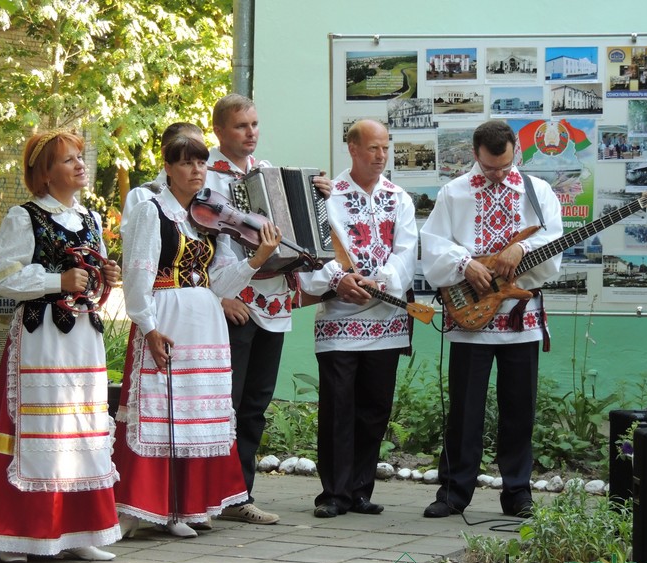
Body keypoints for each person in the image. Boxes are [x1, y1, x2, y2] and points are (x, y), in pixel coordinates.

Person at [112, 135, 282, 538]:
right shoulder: (151, 212)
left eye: (202, 164)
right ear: (168, 169)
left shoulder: (204, 218)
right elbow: (137, 275)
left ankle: (182, 507)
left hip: (204, 319)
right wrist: (149, 329)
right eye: (186, 163)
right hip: (166, 314)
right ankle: (139, 507)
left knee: (192, 414)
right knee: (158, 410)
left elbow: (218, 283)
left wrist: (256, 260)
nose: (196, 171)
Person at [0, 130, 122, 563]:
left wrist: (105, 276)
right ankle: (18, 533)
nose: (79, 164)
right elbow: (3, 277)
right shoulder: (24, 216)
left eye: (79, 157)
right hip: (43, 337)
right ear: (44, 172)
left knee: (82, 429)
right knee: (42, 428)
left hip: (84, 338)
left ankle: (81, 529)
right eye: (67, 159)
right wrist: (57, 281)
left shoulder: (90, 218)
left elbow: (90, 273)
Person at [419, 120, 563, 518]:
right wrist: (464, 264)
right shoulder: (454, 192)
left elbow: (554, 242)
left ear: (516, 149)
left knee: (519, 410)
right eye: (488, 168)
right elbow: (431, 245)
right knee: (464, 410)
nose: (498, 175)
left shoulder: (538, 192)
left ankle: (517, 492)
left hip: (521, 321)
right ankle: (453, 492)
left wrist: (523, 248)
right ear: (475, 154)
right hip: (469, 319)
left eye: (504, 165)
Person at [204, 94, 331, 525]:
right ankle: (214, 494)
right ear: (220, 130)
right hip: (233, 301)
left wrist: (318, 202)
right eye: (241, 126)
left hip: (273, 298)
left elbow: (300, 234)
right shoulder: (205, 176)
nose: (251, 133)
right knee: (227, 402)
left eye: (255, 125)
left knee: (255, 403)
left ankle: (241, 494)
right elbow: (200, 247)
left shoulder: (270, 174)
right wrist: (218, 294)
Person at [299, 119, 418, 518]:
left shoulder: (399, 197)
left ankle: (360, 489)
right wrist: (338, 277)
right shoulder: (327, 197)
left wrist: (382, 280)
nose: (381, 156)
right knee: (338, 408)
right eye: (373, 148)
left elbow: (406, 252)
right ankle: (333, 493)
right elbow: (310, 253)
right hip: (339, 321)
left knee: (374, 409)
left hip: (386, 321)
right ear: (352, 149)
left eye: (385, 148)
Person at [119, 122, 204, 239]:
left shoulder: (207, 200)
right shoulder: (143, 196)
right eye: (187, 145)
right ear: (165, 153)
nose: (196, 152)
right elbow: (134, 243)